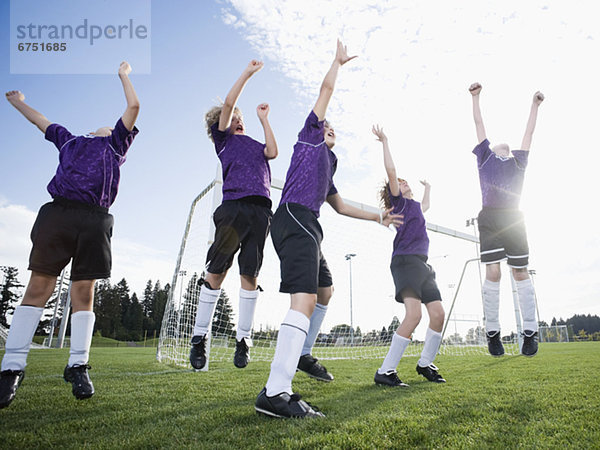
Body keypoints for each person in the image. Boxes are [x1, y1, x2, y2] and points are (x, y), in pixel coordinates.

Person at [254, 40, 402, 419]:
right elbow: (326, 91)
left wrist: (377, 217)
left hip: (309, 224)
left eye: (332, 128)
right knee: (302, 301)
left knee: (325, 290)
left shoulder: (328, 164)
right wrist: (337, 63)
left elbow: (338, 205)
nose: (329, 128)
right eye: (327, 125)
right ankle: (275, 392)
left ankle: (300, 354)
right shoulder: (308, 139)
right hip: (295, 217)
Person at [0, 61, 140, 408]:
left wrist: (123, 74)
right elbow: (39, 121)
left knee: (84, 291)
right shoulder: (69, 142)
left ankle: (78, 364)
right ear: (91, 132)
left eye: (112, 127)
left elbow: (134, 107)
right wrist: (18, 102)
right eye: (103, 126)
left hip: (95, 220)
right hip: (58, 213)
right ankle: (12, 367)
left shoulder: (116, 146)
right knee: (39, 286)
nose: (107, 126)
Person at [189, 60, 278, 371]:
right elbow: (228, 103)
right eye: (234, 119)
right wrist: (248, 74)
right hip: (233, 207)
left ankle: (244, 340)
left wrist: (263, 120)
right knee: (217, 270)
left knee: (250, 275)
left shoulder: (254, 144)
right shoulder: (224, 141)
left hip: (260, 210)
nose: (239, 122)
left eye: (242, 120)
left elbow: (272, 151)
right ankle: (199, 337)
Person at [469, 82, 544, 357]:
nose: (505, 144)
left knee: (520, 272)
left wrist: (534, 105)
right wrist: (476, 99)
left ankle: (530, 333)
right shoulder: (485, 158)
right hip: (489, 217)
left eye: (508, 145)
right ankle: (492, 333)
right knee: (493, 272)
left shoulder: (518, 162)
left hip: (514, 218)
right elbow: (478, 124)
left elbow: (529, 133)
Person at [372, 125, 447, 388]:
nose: (403, 182)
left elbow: (425, 206)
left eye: (405, 181)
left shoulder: (415, 206)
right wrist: (385, 141)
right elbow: (391, 172)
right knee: (413, 316)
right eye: (400, 182)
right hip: (405, 261)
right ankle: (386, 371)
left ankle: (425, 363)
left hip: (423, 265)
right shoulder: (399, 203)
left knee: (438, 314)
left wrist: (428, 188)